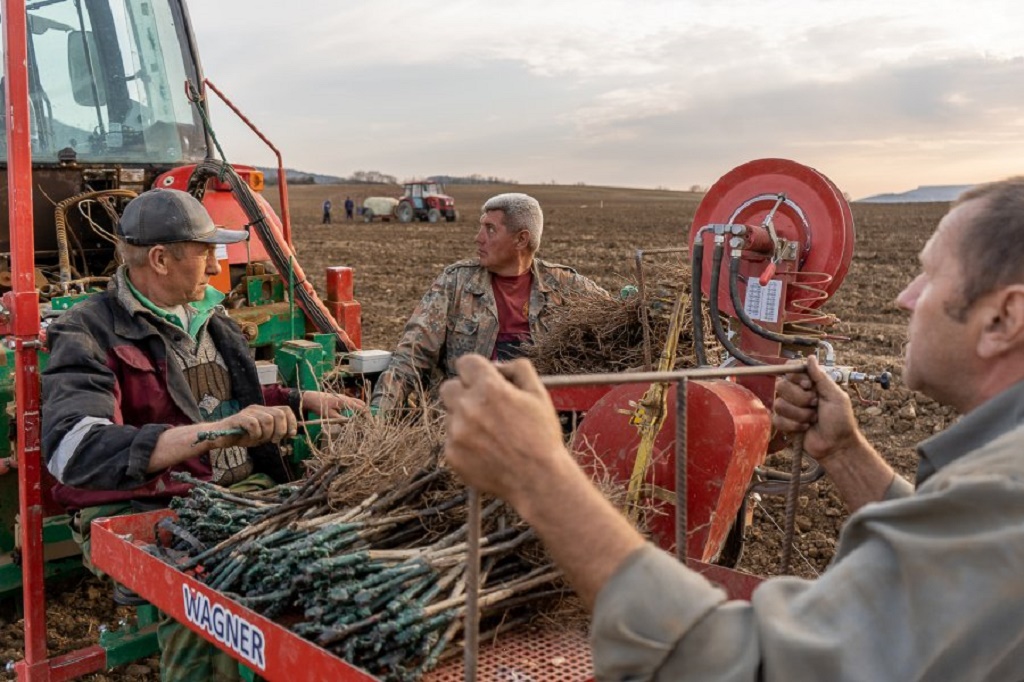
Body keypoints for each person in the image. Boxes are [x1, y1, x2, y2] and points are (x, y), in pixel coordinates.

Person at [439, 177, 1024, 681]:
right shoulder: (996, 486)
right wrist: (844, 454)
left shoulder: (1006, 498)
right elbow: (941, 565)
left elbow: (738, 667)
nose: (904, 298)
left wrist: (540, 475)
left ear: (1004, 317)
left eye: (928, 276)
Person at [41, 188, 363, 680]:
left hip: (241, 494)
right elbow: (74, 451)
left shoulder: (215, 322)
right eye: (207, 252)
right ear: (161, 258)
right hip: (149, 506)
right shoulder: (86, 332)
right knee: (209, 598)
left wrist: (305, 401)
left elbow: (230, 408)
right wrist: (211, 435)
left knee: (333, 562)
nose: (217, 268)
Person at [370, 192, 606, 412]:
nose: (478, 238)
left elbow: (618, 316)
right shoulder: (455, 284)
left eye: (490, 229)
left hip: (541, 423)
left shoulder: (565, 287)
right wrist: (378, 412)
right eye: (481, 227)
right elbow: (411, 355)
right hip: (467, 424)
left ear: (521, 239)